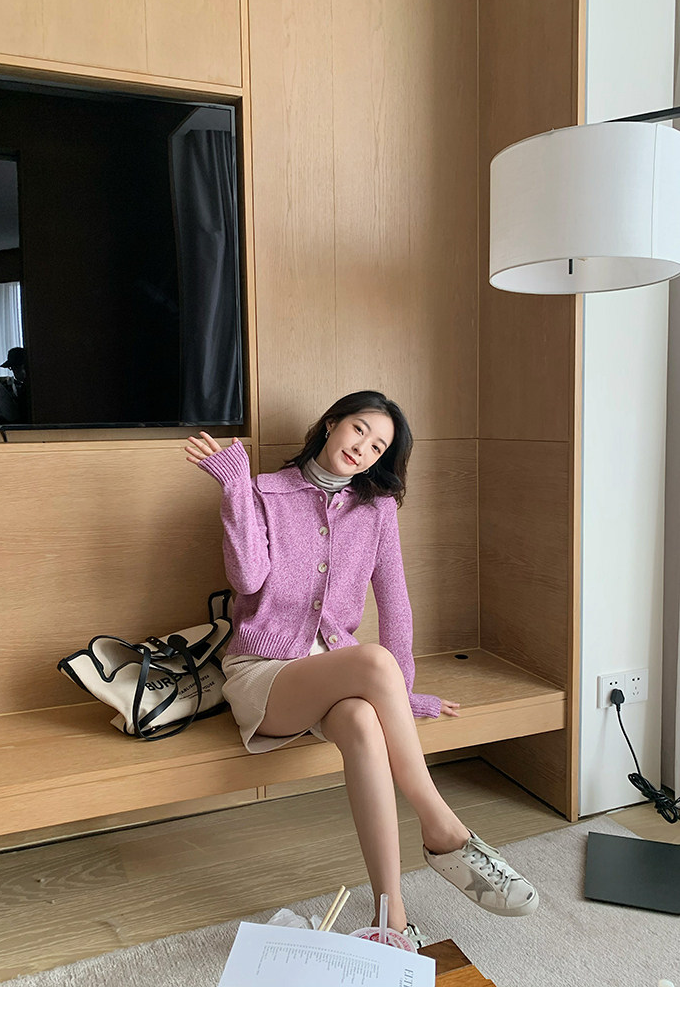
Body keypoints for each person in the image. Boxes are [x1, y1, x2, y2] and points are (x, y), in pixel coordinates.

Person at [186, 390, 538, 941]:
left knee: (362, 722)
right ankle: (441, 827)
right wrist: (234, 488)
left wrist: (400, 694)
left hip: (335, 673)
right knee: (373, 660)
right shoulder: (264, 492)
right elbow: (248, 580)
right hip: (264, 673)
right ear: (331, 423)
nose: (363, 449)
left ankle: (389, 919)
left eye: (378, 447)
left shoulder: (377, 510)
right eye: (359, 430)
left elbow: (396, 604)